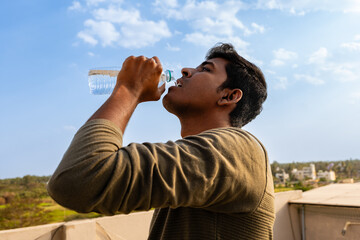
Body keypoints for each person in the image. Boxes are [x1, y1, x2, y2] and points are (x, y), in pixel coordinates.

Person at [47, 43, 275, 239]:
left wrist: (128, 90)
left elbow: (78, 181)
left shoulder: (237, 150)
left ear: (229, 95)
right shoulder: (201, 154)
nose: (185, 71)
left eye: (205, 69)